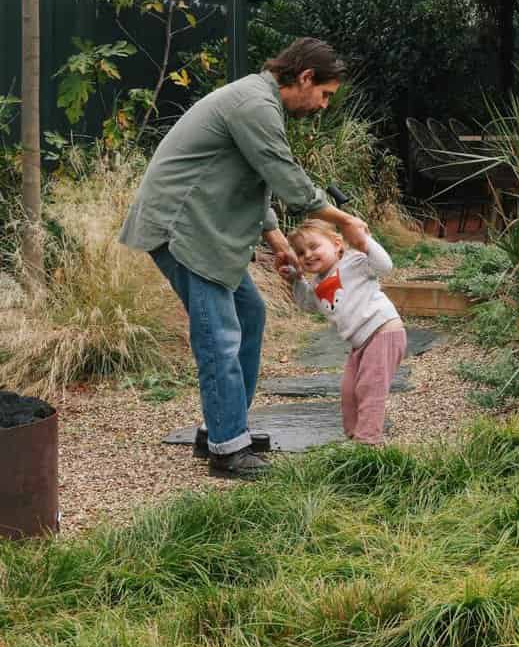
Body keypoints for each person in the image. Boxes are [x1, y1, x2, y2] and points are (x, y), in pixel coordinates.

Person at [120, 38, 369, 479]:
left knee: (249, 314)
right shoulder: (254, 103)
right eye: (325, 94)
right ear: (305, 76)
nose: (324, 105)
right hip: (182, 227)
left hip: (201, 227)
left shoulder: (258, 100)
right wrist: (343, 220)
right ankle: (227, 447)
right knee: (219, 335)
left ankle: (219, 428)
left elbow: (257, 179)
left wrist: (277, 242)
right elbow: (286, 176)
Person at [283, 219, 404, 446]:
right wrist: (296, 280)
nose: (307, 255)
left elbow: (385, 266)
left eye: (314, 247)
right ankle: (353, 437)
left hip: (383, 331)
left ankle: (367, 443)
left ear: (337, 244)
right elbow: (309, 304)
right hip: (360, 343)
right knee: (349, 392)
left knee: (369, 389)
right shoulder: (318, 282)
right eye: (300, 252)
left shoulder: (354, 261)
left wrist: (364, 241)